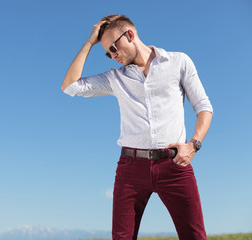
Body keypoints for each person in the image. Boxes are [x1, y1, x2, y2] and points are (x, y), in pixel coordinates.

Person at [61, 14, 213, 240]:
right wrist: (89, 42)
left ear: (130, 35)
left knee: (195, 236)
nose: (113, 56)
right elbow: (70, 86)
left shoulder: (178, 62)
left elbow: (204, 107)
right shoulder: (115, 78)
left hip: (175, 166)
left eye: (113, 48)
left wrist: (194, 144)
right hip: (130, 169)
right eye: (107, 53)